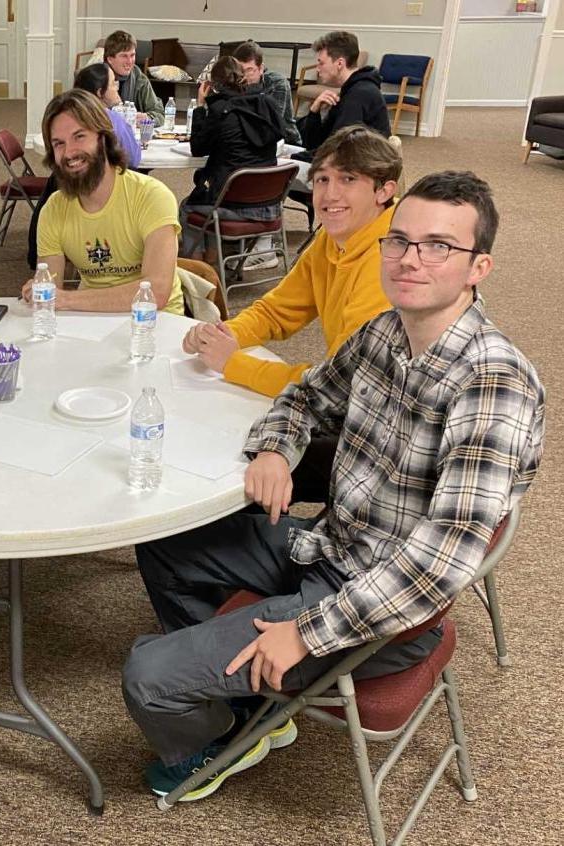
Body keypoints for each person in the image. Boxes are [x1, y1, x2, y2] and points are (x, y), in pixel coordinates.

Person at [123, 170, 544, 803]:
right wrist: (275, 448)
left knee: (147, 676)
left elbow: (438, 566)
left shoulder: (493, 386)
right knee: (163, 539)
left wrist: (307, 633)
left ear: (477, 266)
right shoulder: (387, 333)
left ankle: (210, 742)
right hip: (331, 547)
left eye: (438, 246)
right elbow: (305, 395)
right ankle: (243, 713)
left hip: (382, 614)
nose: (409, 259)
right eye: (398, 240)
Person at [183, 126, 400, 500]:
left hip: (383, 441)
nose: (329, 195)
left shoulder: (388, 263)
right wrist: (226, 335)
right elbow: (277, 310)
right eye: (322, 179)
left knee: (230, 457)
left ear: (384, 190)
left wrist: (234, 364)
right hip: (352, 408)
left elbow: (340, 391)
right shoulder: (335, 240)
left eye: (348, 179)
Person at [21, 90, 185, 315]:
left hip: (155, 322)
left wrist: (66, 299)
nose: (69, 152)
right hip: (91, 318)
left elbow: (155, 293)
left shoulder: (151, 196)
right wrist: (39, 290)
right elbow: (51, 287)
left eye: (80, 136)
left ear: (103, 138)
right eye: (59, 143)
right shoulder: (53, 209)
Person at [178, 56, 284, 260]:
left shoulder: (220, 111)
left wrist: (201, 107)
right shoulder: (266, 104)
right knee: (208, 198)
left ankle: (199, 273)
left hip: (234, 205)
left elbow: (198, 148)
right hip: (270, 204)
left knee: (188, 207)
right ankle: (213, 267)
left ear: (213, 85)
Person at [296, 31, 391, 156]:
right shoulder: (350, 90)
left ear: (340, 63)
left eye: (321, 63)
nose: (318, 69)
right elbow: (316, 143)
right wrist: (314, 112)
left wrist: (292, 159)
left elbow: (338, 152)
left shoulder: (359, 95)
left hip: (362, 170)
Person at [233, 40, 302, 146]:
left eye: (249, 70)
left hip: (285, 140)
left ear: (261, 68)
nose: (244, 76)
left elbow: (273, 123)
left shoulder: (277, 83)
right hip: (250, 138)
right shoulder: (235, 80)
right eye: (240, 71)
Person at [74, 63, 142, 168]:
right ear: (100, 92)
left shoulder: (67, 116)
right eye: (113, 83)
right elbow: (133, 159)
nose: (117, 87)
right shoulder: (113, 120)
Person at [103, 30, 164, 124]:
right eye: (124, 56)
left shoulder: (139, 78)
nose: (130, 61)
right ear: (110, 59)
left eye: (132, 55)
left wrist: (147, 117)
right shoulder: (97, 78)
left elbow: (159, 114)